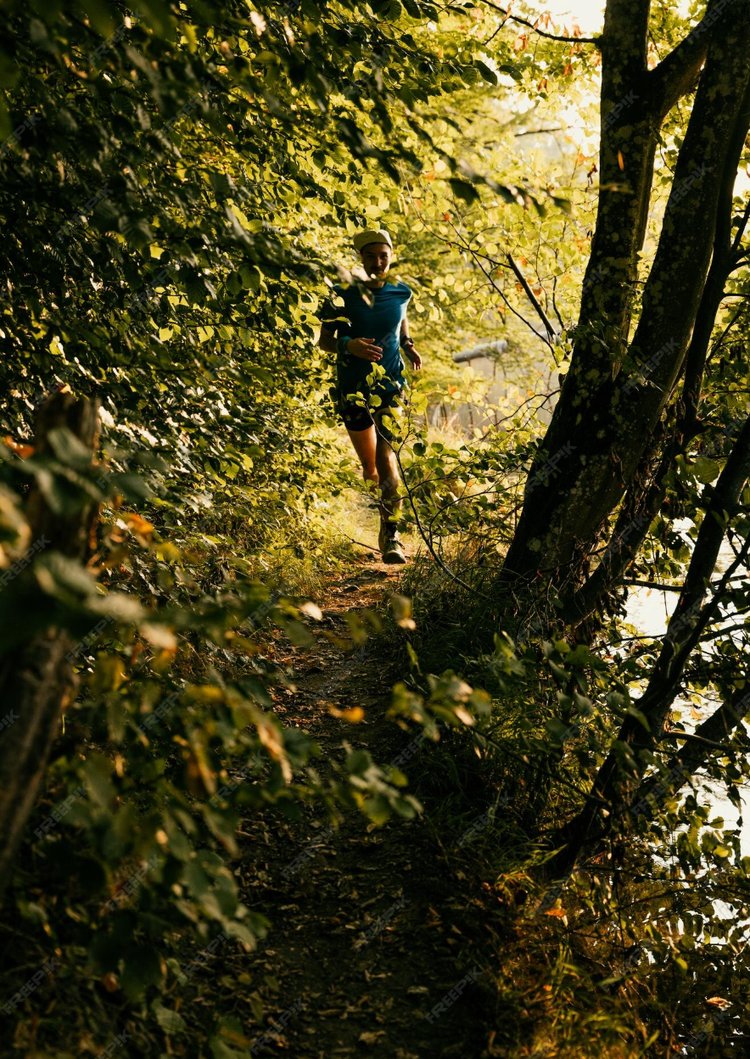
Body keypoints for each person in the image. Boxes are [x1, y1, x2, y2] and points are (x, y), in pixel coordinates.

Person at [318, 228, 421, 563]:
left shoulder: (401, 292)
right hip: (352, 387)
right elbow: (325, 341)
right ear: (360, 257)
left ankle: (392, 536)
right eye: (371, 256)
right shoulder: (340, 293)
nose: (378, 262)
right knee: (370, 467)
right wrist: (349, 345)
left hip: (391, 385)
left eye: (383, 256)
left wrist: (408, 345)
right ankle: (378, 508)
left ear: (391, 255)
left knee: (386, 457)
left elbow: (401, 323)